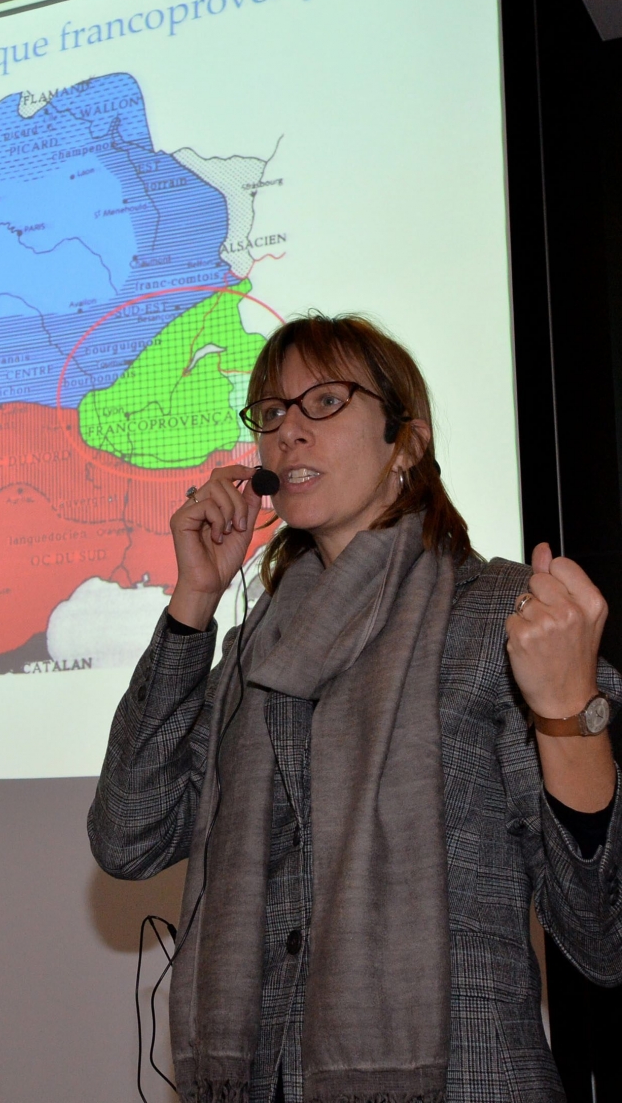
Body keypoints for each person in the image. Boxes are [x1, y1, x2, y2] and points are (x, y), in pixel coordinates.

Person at [88, 314, 622, 1103]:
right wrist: (194, 601)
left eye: (324, 403)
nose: (288, 432)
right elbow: (127, 836)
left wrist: (565, 712)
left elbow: (601, 932)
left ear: (406, 443)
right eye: (270, 413)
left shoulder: (503, 619)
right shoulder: (253, 652)